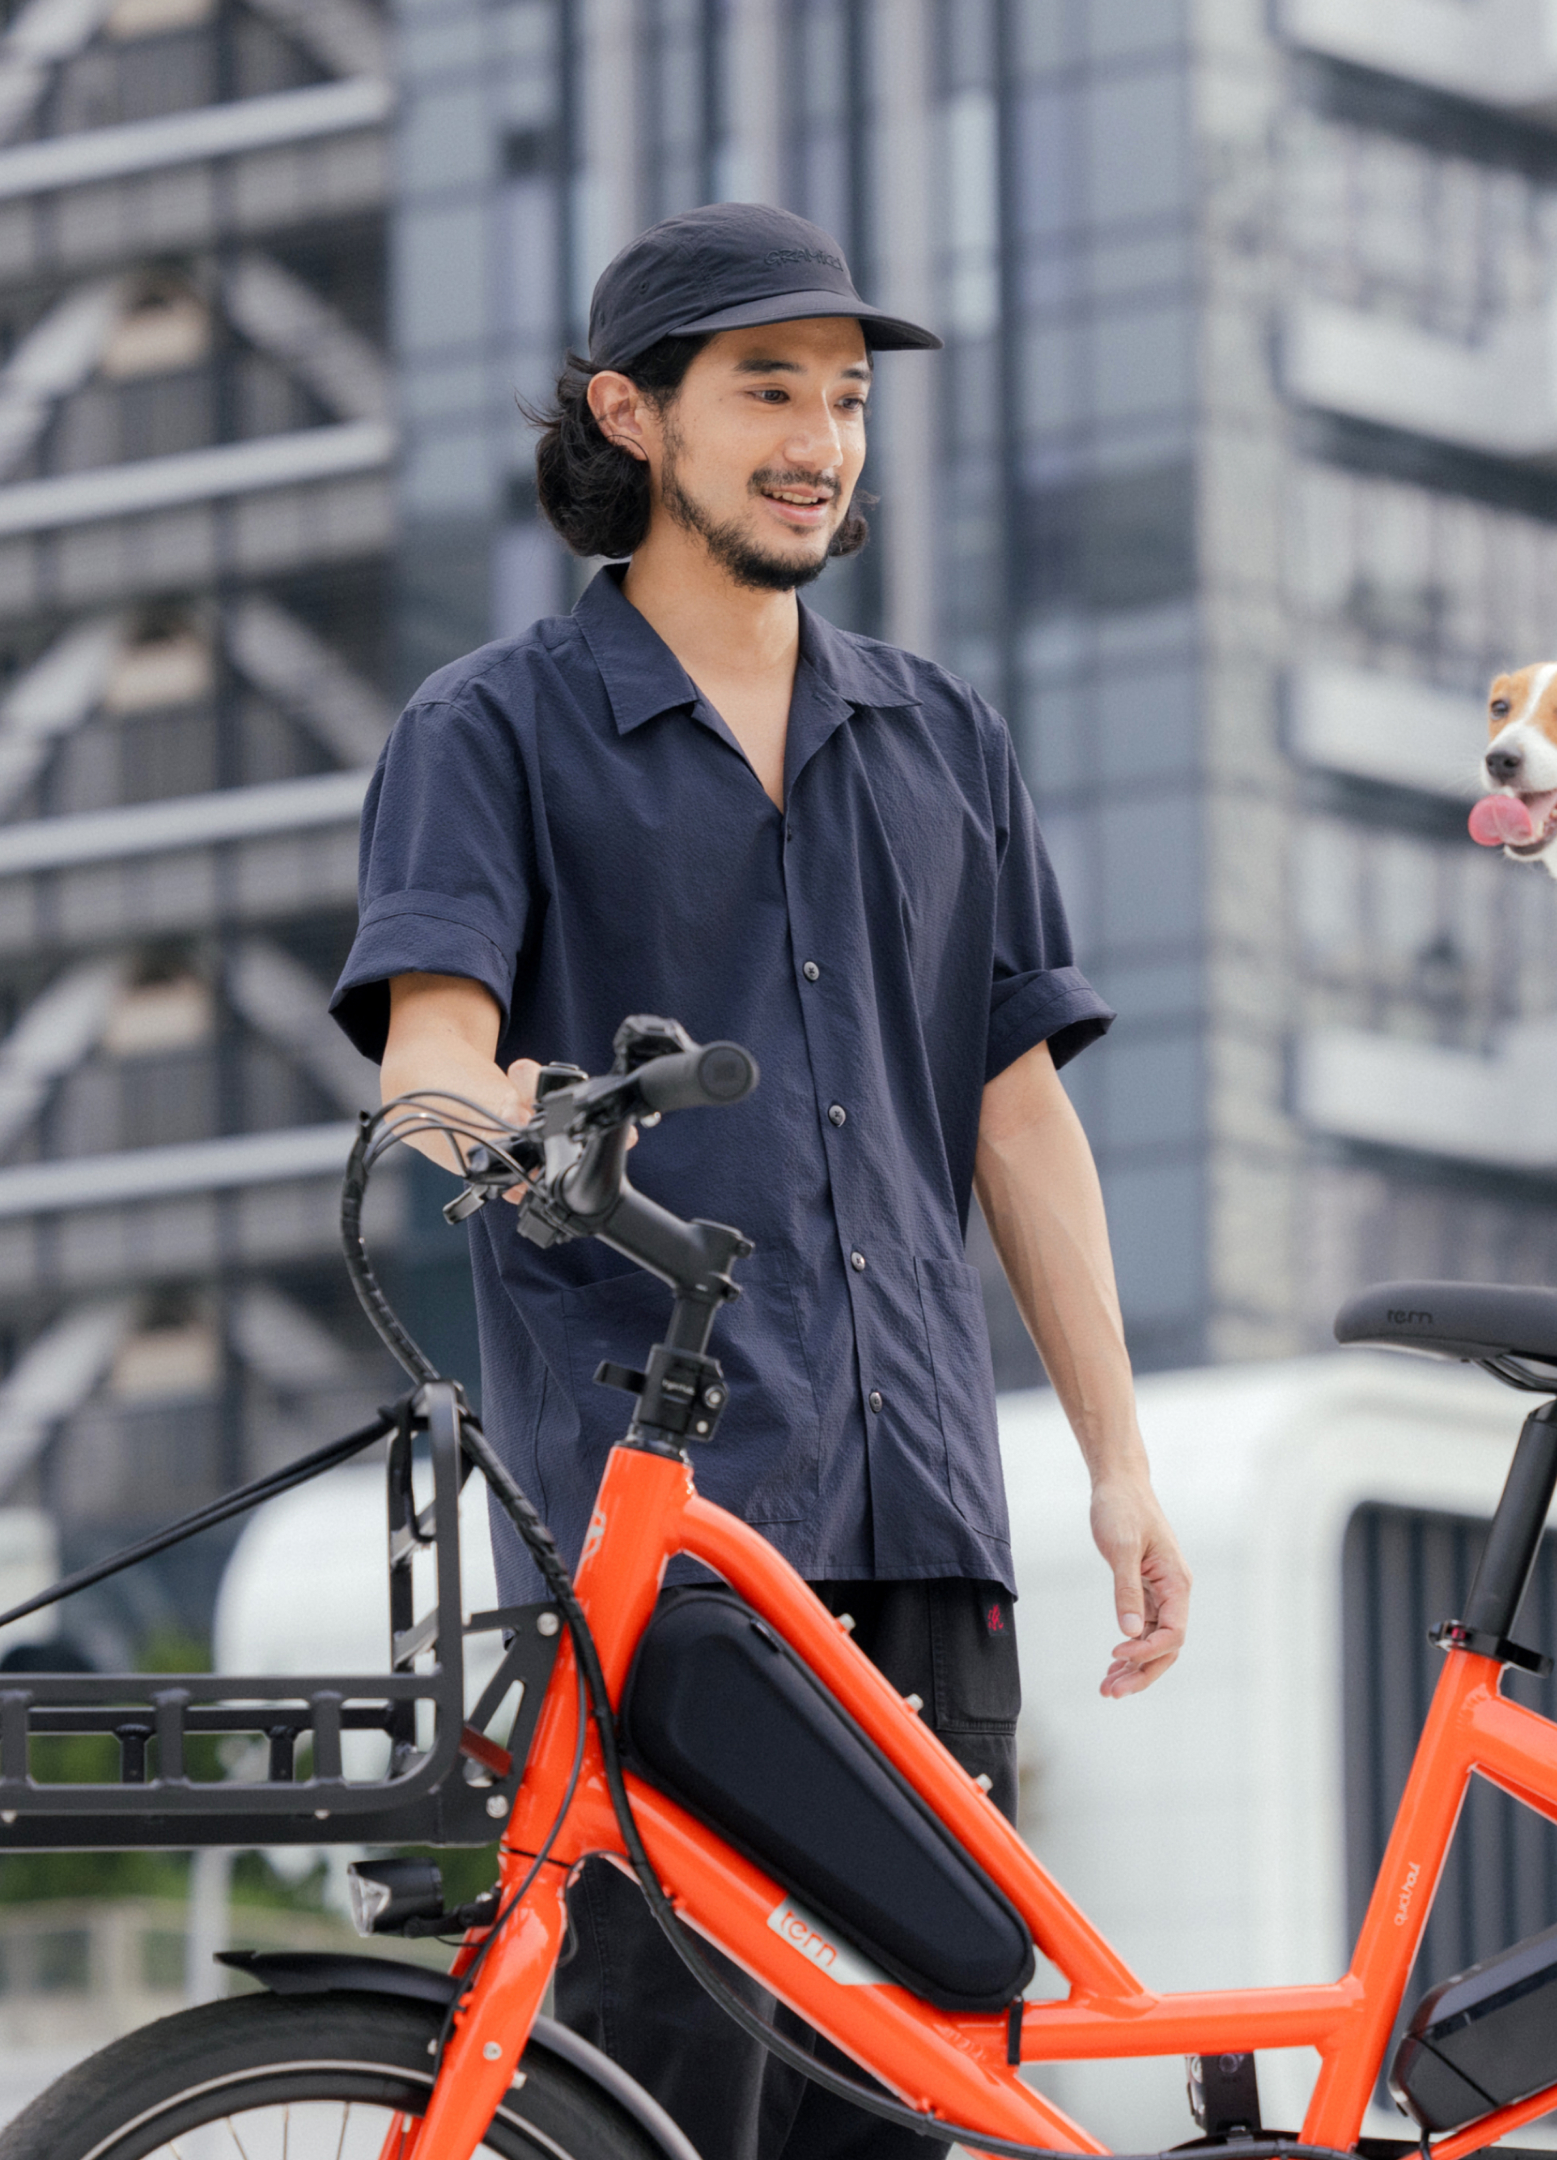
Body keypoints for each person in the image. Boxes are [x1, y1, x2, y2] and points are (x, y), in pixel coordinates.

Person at [326, 201, 1192, 2160]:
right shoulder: (490, 730)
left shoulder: (943, 736)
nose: (820, 438)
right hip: (664, 1543)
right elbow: (434, 1055)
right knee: (654, 2088)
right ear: (632, 416)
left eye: (848, 397)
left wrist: (1118, 1464)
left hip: (924, 1524)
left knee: (910, 2091)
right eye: (766, 389)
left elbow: (1018, 1116)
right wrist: (492, 1138)